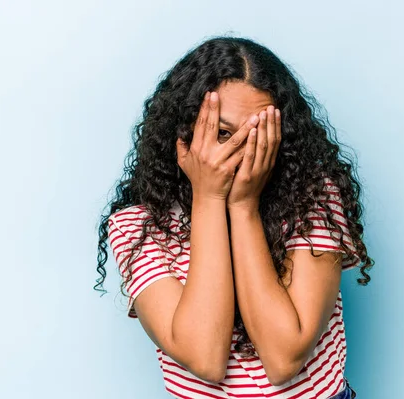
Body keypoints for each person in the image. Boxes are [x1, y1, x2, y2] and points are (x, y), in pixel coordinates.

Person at [95, 35, 373, 399]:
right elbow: (204, 357)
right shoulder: (137, 226)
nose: (240, 154)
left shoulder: (312, 196)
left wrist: (244, 207)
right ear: (184, 132)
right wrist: (209, 197)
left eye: (259, 136)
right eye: (223, 133)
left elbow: (284, 357)